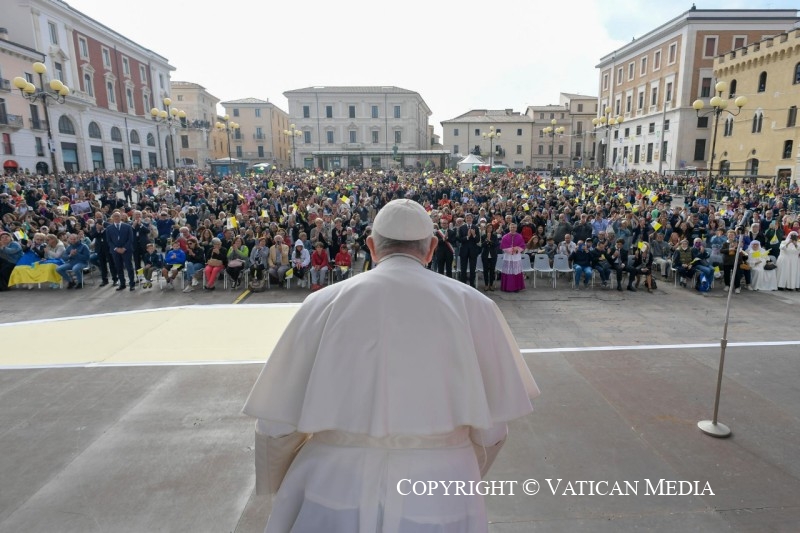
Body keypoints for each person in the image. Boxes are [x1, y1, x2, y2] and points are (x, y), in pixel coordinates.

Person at [242, 198, 539, 532]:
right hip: (439, 490)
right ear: (431, 249)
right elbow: (492, 430)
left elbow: (276, 425)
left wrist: (282, 481)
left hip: (334, 483)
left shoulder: (322, 304)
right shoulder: (476, 307)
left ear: (371, 246)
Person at [106, 211, 136, 291]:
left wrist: (124, 248)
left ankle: (132, 284)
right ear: (112, 218)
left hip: (126, 250)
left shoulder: (127, 226)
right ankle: (122, 284)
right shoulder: (109, 228)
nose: (116, 218)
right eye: (115, 216)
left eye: (118, 216)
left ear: (121, 217)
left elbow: (130, 239)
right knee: (119, 268)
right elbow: (109, 241)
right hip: (115, 251)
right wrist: (116, 249)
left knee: (129, 267)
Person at [500, 222, 525, 292]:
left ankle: (516, 288)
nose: (512, 228)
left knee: (515, 271)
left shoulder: (519, 236)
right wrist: (511, 250)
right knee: (508, 271)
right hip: (508, 256)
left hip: (516, 257)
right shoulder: (505, 237)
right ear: (509, 228)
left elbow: (522, 246)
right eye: (511, 227)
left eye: (514, 227)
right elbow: (503, 246)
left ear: (516, 228)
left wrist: (516, 250)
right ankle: (507, 287)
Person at [458, 212, 480, 288]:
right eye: (467, 218)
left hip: (473, 251)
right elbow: (460, 239)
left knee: (472, 269)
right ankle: (463, 284)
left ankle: (472, 284)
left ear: (472, 219)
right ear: (465, 219)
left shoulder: (476, 227)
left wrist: (474, 235)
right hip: (464, 251)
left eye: (470, 218)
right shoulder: (461, 227)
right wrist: (467, 237)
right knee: (463, 268)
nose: (468, 219)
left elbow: (477, 240)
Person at [480, 223, 500, 291]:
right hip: (485, 255)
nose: (489, 229)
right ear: (486, 229)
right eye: (488, 228)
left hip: (493, 255)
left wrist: (490, 241)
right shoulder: (483, 236)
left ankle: (491, 285)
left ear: (492, 229)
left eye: (491, 228)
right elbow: (482, 245)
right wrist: (486, 240)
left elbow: (496, 245)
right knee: (485, 270)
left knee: (492, 270)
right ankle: (486, 284)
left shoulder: (495, 236)